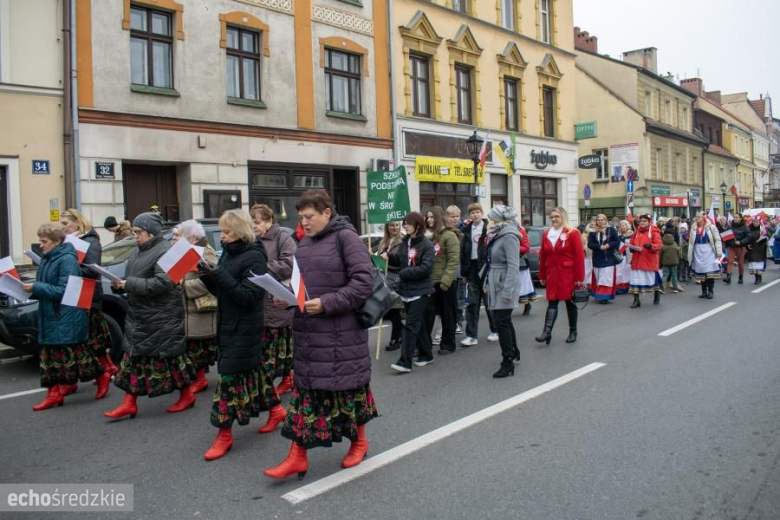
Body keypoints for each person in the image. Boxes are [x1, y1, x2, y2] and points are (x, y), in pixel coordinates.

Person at [264, 189, 376, 480]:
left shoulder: (347, 238)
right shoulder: (304, 243)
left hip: (342, 335)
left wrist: (327, 303)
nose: (304, 222)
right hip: (309, 334)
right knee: (306, 398)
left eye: (309, 216)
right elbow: (303, 284)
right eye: (301, 217)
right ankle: (297, 456)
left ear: (327, 212)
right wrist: (287, 296)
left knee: (350, 393)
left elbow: (363, 283)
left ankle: (360, 443)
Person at [104, 212, 196, 420]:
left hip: (162, 317)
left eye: (139, 232)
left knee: (171, 359)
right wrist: (121, 285)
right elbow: (136, 279)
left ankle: (187, 395)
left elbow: (163, 283)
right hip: (141, 314)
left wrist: (129, 284)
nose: (135, 236)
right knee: (133, 359)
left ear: (151, 233)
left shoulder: (166, 251)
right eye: (134, 231)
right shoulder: (138, 251)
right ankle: (129, 403)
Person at [199, 209, 269, 461]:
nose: (223, 236)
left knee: (228, 379)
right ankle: (276, 411)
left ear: (241, 231)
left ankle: (224, 435)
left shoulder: (255, 256)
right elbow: (224, 291)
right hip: (228, 323)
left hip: (245, 326)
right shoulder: (229, 253)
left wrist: (218, 274)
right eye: (222, 231)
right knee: (253, 372)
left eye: (227, 232)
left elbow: (247, 297)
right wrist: (206, 276)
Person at [22, 223, 105, 411]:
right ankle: (53, 394)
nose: (40, 245)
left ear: (56, 241)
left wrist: (36, 287)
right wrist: (30, 290)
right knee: (49, 357)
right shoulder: (47, 259)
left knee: (76, 354)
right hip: (51, 313)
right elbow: (46, 286)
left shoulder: (67, 259)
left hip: (66, 314)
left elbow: (64, 290)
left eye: (44, 241)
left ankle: (102, 376)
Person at [59, 209, 116, 398]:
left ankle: (101, 371)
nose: (62, 227)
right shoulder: (68, 241)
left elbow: (92, 270)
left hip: (87, 294)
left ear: (77, 222)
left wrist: (67, 270)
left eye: (65, 223)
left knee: (89, 338)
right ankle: (106, 367)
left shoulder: (90, 241)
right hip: (74, 293)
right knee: (89, 337)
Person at [251, 204, 296, 426]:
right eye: (252, 222)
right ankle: (286, 380)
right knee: (274, 356)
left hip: (278, 304)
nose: (254, 226)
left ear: (269, 221)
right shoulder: (253, 241)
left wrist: (260, 268)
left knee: (272, 359)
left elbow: (289, 264)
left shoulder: (282, 238)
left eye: (257, 222)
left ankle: (276, 402)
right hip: (260, 307)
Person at [383, 212, 435, 373]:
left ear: (418, 225)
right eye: (404, 223)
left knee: (410, 326)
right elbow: (401, 260)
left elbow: (427, 268)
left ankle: (405, 362)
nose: (405, 225)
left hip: (421, 291)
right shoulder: (406, 242)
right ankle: (426, 355)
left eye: (408, 223)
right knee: (419, 325)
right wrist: (389, 257)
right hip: (406, 290)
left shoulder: (427, 245)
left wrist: (404, 273)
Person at [178, 220, 218, 395]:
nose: (178, 240)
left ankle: (200, 379)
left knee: (199, 347)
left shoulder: (205, 252)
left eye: (181, 236)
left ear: (193, 238)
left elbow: (210, 280)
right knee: (193, 346)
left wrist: (183, 285)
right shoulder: (187, 251)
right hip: (189, 308)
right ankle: (197, 378)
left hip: (200, 309)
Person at [535, 207, 585, 345]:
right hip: (552, 273)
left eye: (557, 216)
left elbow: (579, 256)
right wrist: (542, 275)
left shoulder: (572, 233)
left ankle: (573, 331)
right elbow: (543, 256)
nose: (554, 219)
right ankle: (547, 332)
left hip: (568, 273)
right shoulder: (547, 233)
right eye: (552, 217)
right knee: (552, 301)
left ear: (563, 217)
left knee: (570, 302)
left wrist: (579, 278)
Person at [483, 206, 522, 378]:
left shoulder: (509, 236)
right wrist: (487, 280)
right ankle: (513, 351)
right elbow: (490, 261)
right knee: (504, 320)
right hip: (497, 280)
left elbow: (513, 265)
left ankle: (507, 362)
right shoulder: (498, 233)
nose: (489, 221)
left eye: (491, 218)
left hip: (505, 282)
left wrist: (507, 292)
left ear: (498, 220)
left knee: (501, 322)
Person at [423, 206, 460, 355]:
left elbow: (453, 260)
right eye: (427, 217)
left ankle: (448, 344)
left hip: (445, 283)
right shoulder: (427, 236)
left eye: (432, 217)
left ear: (438, 218)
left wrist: (446, 281)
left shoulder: (449, 235)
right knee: (427, 315)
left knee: (447, 315)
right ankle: (424, 346)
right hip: (430, 282)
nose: (429, 220)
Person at [460, 203, 498, 347]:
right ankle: (471, 335)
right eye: (472, 212)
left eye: (477, 212)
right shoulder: (466, 230)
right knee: (472, 302)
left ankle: (495, 330)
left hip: (486, 267)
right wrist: (464, 272)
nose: (475, 215)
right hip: (472, 267)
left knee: (488, 301)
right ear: (469, 215)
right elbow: (463, 252)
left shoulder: (489, 228)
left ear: (482, 213)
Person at [377, 221, 404, 352]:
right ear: (387, 227)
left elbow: (401, 260)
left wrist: (388, 257)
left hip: (396, 278)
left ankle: (395, 339)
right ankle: (403, 332)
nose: (394, 228)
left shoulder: (403, 241)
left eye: (397, 225)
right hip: (384, 278)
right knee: (388, 309)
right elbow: (379, 258)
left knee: (394, 309)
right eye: (392, 225)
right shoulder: (383, 241)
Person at [628, 213, 663, 308]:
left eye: (644, 221)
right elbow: (631, 243)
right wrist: (631, 248)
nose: (642, 223)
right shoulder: (636, 232)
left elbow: (659, 245)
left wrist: (651, 246)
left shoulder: (654, 231)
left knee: (652, 280)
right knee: (635, 281)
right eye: (641, 221)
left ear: (649, 222)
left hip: (648, 260)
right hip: (637, 260)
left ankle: (657, 294)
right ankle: (636, 300)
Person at [587, 213, 621, 304]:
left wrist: (608, 245)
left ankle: (604, 297)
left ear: (606, 221)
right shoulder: (593, 232)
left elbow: (617, 241)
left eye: (602, 219)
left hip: (608, 258)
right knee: (598, 277)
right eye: (598, 220)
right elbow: (590, 244)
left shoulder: (611, 230)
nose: (600, 221)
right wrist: (599, 247)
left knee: (605, 278)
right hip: (597, 258)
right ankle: (598, 294)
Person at [688, 211, 722, 299]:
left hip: (709, 251)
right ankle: (703, 291)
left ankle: (710, 291)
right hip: (698, 251)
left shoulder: (711, 227)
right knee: (701, 272)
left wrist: (719, 252)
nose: (697, 218)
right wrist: (690, 255)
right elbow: (691, 242)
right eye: (696, 217)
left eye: (698, 217)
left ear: (704, 218)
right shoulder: (693, 228)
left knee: (710, 272)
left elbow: (717, 239)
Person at [445, 205, 465, 335]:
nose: (455, 219)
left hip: (459, 269)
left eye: (457, 216)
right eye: (452, 216)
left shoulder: (464, 231)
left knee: (459, 298)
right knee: (449, 299)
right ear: (447, 217)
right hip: (447, 269)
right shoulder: (443, 231)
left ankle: (458, 322)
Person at [723, 212, 752, 284]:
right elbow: (725, 235)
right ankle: (728, 277)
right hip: (731, 246)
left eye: (736, 217)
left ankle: (740, 277)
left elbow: (749, 237)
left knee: (740, 262)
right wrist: (726, 243)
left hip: (740, 246)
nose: (735, 219)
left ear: (740, 218)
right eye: (734, 217)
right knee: (730, 261)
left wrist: (741, 242)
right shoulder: (730, 226)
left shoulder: (745, 227)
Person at [517, 222, 537, 315]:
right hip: (506, 262)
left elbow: (526, 247)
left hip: (520, 261)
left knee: (523, 283)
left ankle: (527, 303)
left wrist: (513, 247)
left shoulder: (520, 230)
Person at [746, 216, 768, 284]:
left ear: (759, 222)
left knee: (759, 264)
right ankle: (756, 277)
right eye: (754, 222)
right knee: (754, 264)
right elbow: (746, 238)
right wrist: (747, 244)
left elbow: (766, 238)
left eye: (757, 222)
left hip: (761, 249)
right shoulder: (749, 229)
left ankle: (759, 277)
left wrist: (763, 244)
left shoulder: (762, 229)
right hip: (752, 249)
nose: (756, 223)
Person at [615, 220, 633, 294]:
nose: (621, 227)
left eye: (623, 225)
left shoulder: (631, 235)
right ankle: (620, 288)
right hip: (620, 256)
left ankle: (627, 287)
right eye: (620, 226)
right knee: (619, 271)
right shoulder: (618, 236)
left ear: (627, 226)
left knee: (627, 271)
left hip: (628, 256)